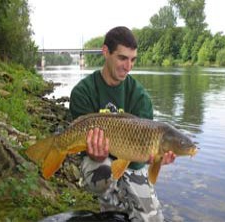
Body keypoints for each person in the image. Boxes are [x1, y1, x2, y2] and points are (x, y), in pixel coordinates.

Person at [69, 26, 175, 222]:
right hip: (98, 161)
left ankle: (122, 205)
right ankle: (110, 207)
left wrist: (155, 158)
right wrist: (94, 152)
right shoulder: (83, 92)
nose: (128, 66)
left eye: (133, 59)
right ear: (105, 52)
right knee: (103, 171)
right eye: (122, 58)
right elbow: (83, 150)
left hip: (132, 163)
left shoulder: (140, 97)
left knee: (152, 219)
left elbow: (139, 160)